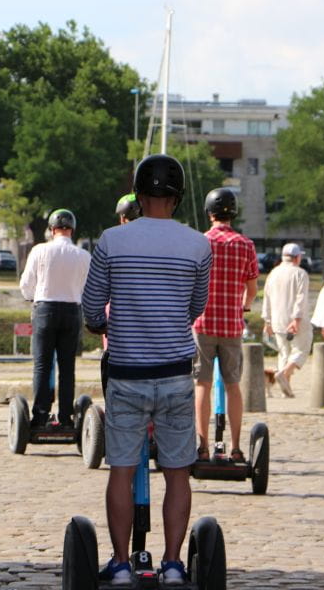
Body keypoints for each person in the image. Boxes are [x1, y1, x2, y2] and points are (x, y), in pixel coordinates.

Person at [82, 154, 211, 586]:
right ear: (177, 197)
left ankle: (121, 564)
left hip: (127, 374)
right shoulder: (198, 244)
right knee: (177, 473)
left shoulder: (111, 241)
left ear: (137, 195)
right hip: (176, 374)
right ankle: (173, 564)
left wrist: (104, 324)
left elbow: (91, 306)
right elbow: (195, 308)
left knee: (121, 469)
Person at [192, 187, 259, 463]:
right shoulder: (246, 245)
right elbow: (252, 288)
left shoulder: (200, 243)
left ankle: (203, 445)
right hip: (231, 325)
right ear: (234, 213)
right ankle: (235, 446)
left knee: (202, 384)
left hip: (203, 322)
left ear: (209, 214)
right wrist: (244, 305)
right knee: (233, 385)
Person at [19, 208, 92, 429]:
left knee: (42, 365)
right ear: (72, 229)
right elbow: (87, 288)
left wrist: (32, 297)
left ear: (51, 230)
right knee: (67, 367)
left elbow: (26, 285)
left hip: (45, 308)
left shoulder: (40, 250)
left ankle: (40, 416)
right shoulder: (83, 255)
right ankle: (66, 417)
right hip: (72, 310)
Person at [261, 242, 311, 397]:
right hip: (296, 319)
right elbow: (300, 298)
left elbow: (266, 298)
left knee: (283, 353)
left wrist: (267, 320)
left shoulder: (273, 273)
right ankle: (284, 374)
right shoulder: (300, 273)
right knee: (301, 349)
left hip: (277, 320)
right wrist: (296, 319)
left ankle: (286, 389)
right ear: (296, 257)